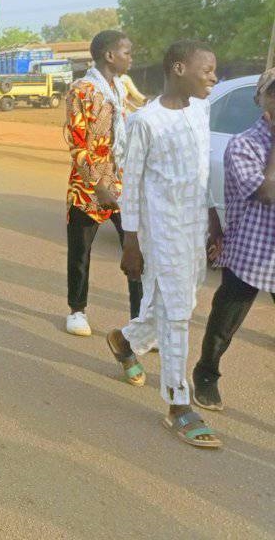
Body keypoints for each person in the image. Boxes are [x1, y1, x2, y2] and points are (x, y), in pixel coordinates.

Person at [106, 40, 221, 449]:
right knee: (176, 315)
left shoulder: (201, 111)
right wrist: (130, 242)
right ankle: (178, 403)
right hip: (162, 230)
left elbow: (201, 172)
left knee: (181, 303)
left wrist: (213, 220)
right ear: (178, 68)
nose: (214, 77)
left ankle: (125, 340)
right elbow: (132, 185)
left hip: (194, 229)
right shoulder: (146, 121)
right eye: (207, 69)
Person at [192, 69, 275, 411]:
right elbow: (267, 193)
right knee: (225, 322)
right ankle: (206, 373)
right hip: (250, 251)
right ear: (263, 100)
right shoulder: (243, 145)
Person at [64, 31, 144, 336]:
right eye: (127, 52)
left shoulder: (120, 88)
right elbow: (76, 143)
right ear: (109, 55)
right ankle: (77, 311)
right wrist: (98, 186)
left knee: (136, 250)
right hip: (88, 187)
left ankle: (140, 321)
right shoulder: (81, 90)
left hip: (121, 182)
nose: (131, 58)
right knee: (81, 252)